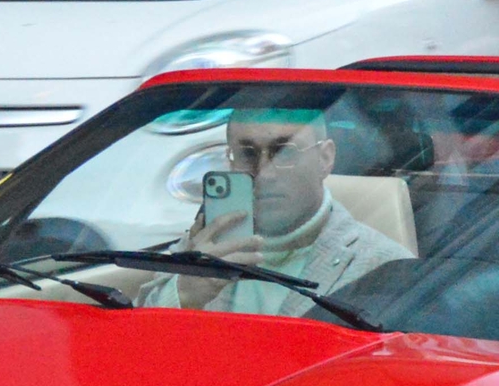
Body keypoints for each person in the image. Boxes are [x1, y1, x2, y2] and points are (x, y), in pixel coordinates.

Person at [137, 101, 409, 316]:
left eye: (285, 152)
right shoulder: (204, 246)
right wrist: (184, 293)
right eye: (247, 154)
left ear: (325, 159)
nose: (264, 173)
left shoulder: (382, 264)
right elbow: (137, 338)